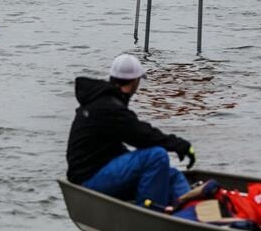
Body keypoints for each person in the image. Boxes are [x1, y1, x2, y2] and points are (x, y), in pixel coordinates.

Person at [67, 54, 195, 208]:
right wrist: (179, 145)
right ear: (135, 82)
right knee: (157, 156)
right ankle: (150, 212)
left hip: (98, 169)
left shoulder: (102, 100)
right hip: (89, 179)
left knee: (172, 175)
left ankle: (192, 213)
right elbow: (142, 136)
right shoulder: (109, 107)